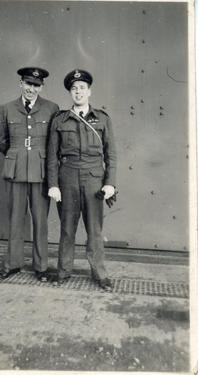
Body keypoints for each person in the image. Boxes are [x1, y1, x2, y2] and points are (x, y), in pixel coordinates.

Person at [47, 69, 117, 290]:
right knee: (67, 228)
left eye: (82, 88)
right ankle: (63, 270)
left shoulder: (103, 119)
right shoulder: (60, 119)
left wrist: (110, 183)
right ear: (70, 92)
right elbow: (51, 156)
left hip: (94, 179)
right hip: (67, 178)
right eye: (74, 89)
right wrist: (53, 184)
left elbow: (111, 154)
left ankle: (99, 273)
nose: (78, 92)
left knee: (94, 230)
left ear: (89, 91)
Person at [0, 67, 59, 281]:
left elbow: (53, 144)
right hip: (15, 173)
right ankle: (12, 264)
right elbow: (1, 141)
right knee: (15, 220)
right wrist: (18, 156)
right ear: (20, 84)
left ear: (42, 87)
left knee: (40, 222)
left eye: (36, 85)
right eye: (28, 84)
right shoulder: (7, 109)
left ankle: (41, 268)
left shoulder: (51, 108)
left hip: (40, 174)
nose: (31, 89)